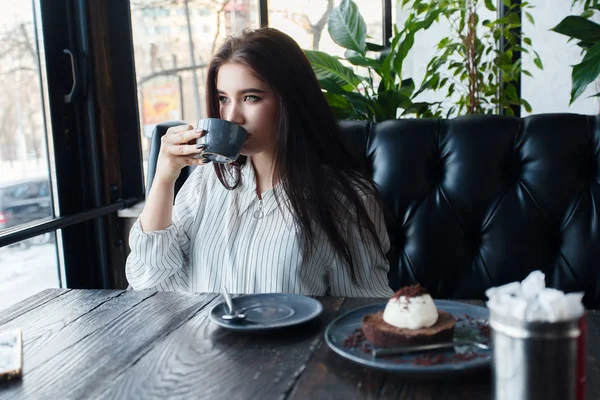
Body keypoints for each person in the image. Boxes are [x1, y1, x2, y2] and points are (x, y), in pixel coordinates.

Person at [125, 27, 393, 297]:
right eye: (223, 99)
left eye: (251, 97)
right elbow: (149, 280)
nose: (231, 117)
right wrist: (163, 177)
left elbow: (361, 309)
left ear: (290, 100)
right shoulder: (205, 183)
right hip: (201, 338)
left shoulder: (346, 197)